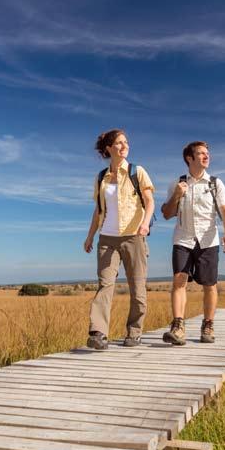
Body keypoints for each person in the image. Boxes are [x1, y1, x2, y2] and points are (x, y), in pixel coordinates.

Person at [84, 129, 155, 350]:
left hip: (134, 236)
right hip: (107, 238)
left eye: (126, 142)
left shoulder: (137, 171)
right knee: (105, 284)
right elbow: (98, 210)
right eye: (119, 143)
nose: (124, 146)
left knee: (137, 287)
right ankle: (98, 333)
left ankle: (134, 332)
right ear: (108, 148)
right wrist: (90, 236)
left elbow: (150, 201)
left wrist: (145, 223)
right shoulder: (101, 177)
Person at [161, 141, 225, 345]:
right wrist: (176, 195)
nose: (206, 156)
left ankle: (208, 325)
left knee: (210, 285)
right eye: (201, 153)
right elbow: (167, 214)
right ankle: (178, 326)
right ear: (189, 158)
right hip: (183, 238)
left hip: (208, 240)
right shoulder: (177, 183)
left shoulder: (215, 184)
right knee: (179, 280)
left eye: (207, 153)